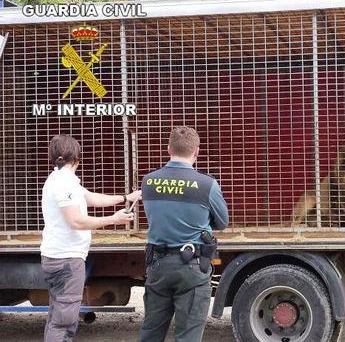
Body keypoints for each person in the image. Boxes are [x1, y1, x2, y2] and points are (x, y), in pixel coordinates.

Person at [41, 134, 141, 342]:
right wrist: (114, 220)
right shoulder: (62, 183)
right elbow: (76, 221)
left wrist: (125, 198)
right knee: (64, 320)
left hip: (60, 257)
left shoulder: (63, 180)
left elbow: (91, 198)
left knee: (58, 315)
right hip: (66, 259)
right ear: (76, 157)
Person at [139, 126, 229, 342]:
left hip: (158, 266)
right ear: (196, 151)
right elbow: (222, 222)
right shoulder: (207, 185)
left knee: (151, 331)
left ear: (169, 149)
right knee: (188, 334)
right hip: (192, 267)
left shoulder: (149, 181)